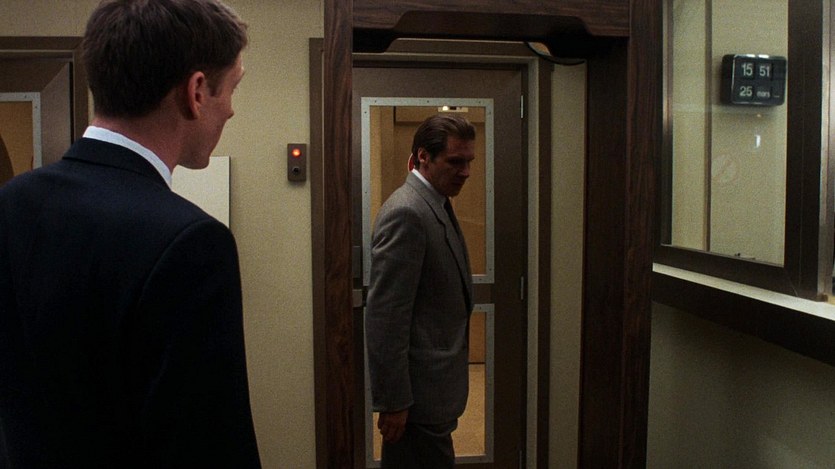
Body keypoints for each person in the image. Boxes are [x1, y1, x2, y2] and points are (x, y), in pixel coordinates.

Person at [0, 1, 260, 467]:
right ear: (196, 92)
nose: (232, 110)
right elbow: (208, 445)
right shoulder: (192, 243)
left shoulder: (12, 203)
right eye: (232, 88)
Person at [365, 114, 476, 468]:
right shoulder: (408, 213)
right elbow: (386, 318)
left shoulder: (434, 202)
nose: (466, 172)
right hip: (417, 399)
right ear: (423, 157)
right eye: (455, 162)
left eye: (469, 161)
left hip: (431, 394)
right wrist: (394, 401)